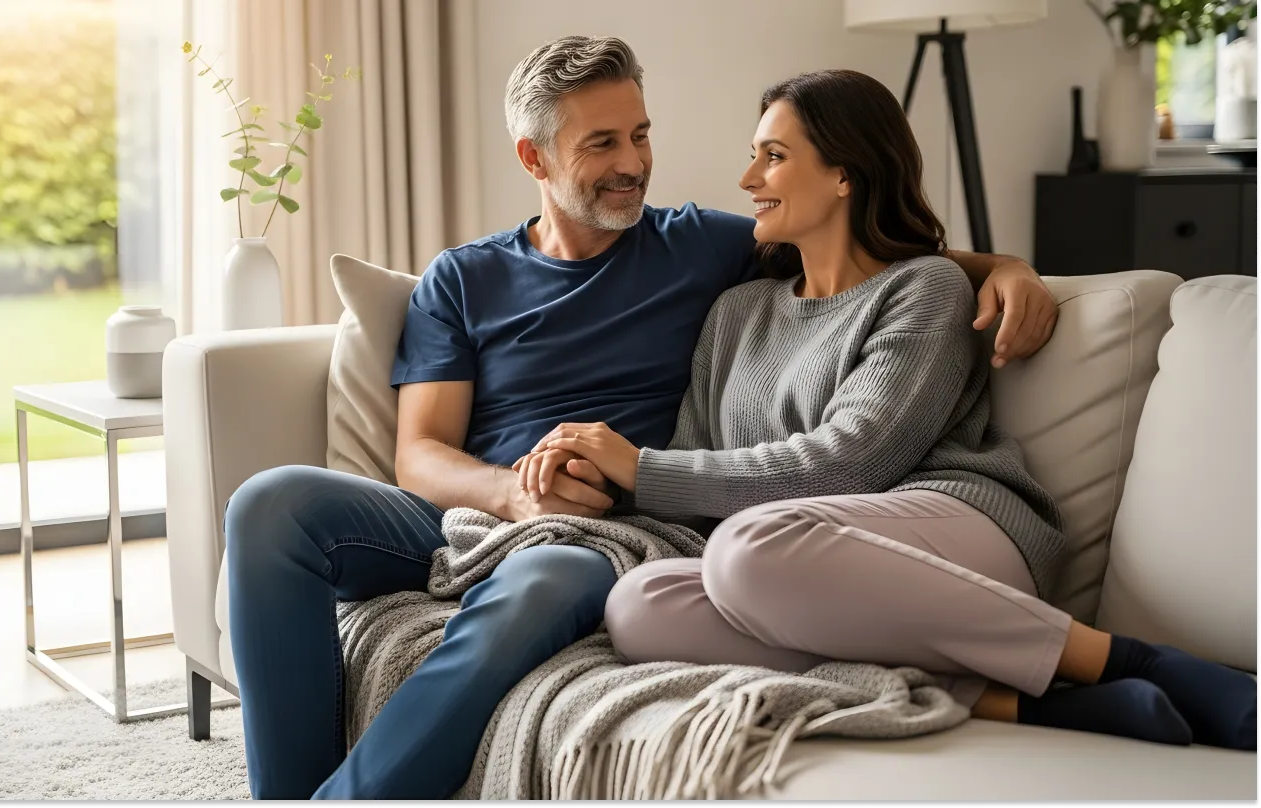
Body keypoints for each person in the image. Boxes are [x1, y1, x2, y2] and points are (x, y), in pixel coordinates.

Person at [221, 37, 1061, 801]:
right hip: (485, 510)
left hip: (611, 525)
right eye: (602, 144)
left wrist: (1010, 268)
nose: (634, 164)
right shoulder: (462, 279)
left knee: (546, 575)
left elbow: (864, 238)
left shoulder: (706, 248)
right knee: (270, 504)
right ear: (534, 156)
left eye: (641, 135)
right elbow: (421, 455)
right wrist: (517, 498)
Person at [518, 69, 1255, 752]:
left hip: (952, 528)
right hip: (800, 564)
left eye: (772, 157)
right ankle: (1023, 701)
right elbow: (700, 481)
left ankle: (1126, 659)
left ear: (844, 172)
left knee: (747, 550)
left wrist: (640, 468)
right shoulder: (736, 312)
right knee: (642, 604)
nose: (747, 180)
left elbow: (856, 459)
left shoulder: (924, 289)